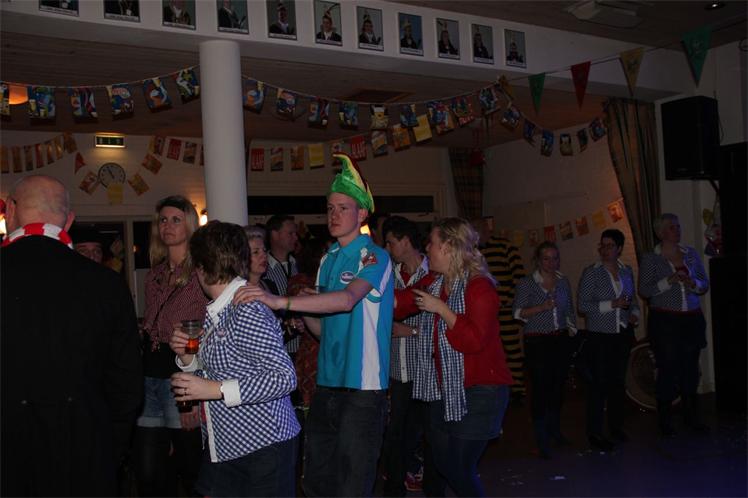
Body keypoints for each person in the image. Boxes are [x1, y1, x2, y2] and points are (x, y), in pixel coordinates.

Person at [234, 153, 394, 497]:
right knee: (316, 481)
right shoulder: (328, 260)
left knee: (353, 484)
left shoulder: (375, 257)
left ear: (362, 214)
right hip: (326, 385)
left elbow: (347, 300)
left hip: (363, 390)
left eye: (343, 208)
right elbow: (322, 331)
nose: (333, 215)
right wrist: (306, 308)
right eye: (330, 208)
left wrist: (282, 301)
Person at [1, 175, 142, 496]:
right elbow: (127, 383)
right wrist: (109, 449)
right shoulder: (106, 284)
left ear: (9, 211)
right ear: (69, 220)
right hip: (84, 450)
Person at [169, 221, 300, 497]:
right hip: (229, 444)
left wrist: (216, 390)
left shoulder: (246, 309)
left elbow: (285, 378)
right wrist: (186, 357)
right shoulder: (219, 309)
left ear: (201, 267)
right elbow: (215, 371)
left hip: (264, 445)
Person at [394, 218, 512, 497]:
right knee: (445, 463)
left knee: (458, 467)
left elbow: (473, 341)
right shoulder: (435, 282)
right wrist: (357, 293)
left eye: (431, 243)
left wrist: (441, 309)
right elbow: (401, 303)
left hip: (482, 389)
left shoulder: (479, 287)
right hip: (444, 389)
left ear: (448, 247)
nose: (426, 248)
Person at [134, 195, 207, 497]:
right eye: (163, 220)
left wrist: (191, 398)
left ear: (190, 224)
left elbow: (209, 328)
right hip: (150, 373)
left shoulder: (202, 272)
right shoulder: (155, 274)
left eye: (176, 219)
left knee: (191, 467)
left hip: (182, 373)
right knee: (149, 470)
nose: (168, 226)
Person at [638, 213, 709, 436]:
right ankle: (665, 420)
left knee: (690, 368)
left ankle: (691, 417)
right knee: (667, 368)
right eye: (671, 227)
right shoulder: (651, 258)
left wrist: (692, 282)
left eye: (678, 226)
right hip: (665, 321)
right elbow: (645, 290)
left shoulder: (691, 254)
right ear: (660, 232)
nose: (677, 230)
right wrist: (668, 281)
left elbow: (704, 283)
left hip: (691, 318)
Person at [577, 229, 640, 450]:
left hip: (621, 334)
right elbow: (583, 305)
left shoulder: (626, 270)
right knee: (598, 385)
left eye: (610, 245)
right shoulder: (591, 272)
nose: (604, 250)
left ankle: (615, 427)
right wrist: (612, 304)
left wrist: (634, 314)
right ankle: (594, 433)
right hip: (600, 336)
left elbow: (632, 301)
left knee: (617, 383)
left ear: (620, 248)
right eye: (602, 245)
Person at [513, 241, 576, 459]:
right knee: (541, 389)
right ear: (538, 261)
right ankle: (542, 440)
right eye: (546, 258)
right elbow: (517, 313)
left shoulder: (563, 281)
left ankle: (555, 431)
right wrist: (542, 307)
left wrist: (572, 330)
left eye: (555, 258)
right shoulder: (527, 283)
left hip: (560, 339)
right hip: (537, 341)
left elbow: (569, 310)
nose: (551, 262)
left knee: (558, 388)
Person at [381, 216, 430, 496]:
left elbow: (443, 325)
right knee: (396, 431)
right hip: (397, 370)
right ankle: (395, 485)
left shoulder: (433, 273)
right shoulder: (388, 274)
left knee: (424, 431)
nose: (387, 248)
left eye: (390, 242)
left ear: (406, 241)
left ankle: (422, 477)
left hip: (426, 369)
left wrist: (410, 331)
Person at [472, 217, 527, 403]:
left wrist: (507, 301)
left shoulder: (506, 247)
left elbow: (519, 278)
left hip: (504, 310)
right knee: (488, 350)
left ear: (486, 229)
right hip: (481, 313)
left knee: (511, 350)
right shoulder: (471, 252)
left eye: (477, 229)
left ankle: (517, 388)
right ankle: (494, 386)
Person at [287, 237, 328, 410]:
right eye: (326, 253)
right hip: (311, 350)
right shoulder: (301, 282)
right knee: (311, 405)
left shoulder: (330, 280)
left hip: (328, 348)